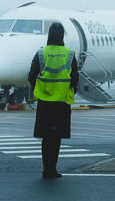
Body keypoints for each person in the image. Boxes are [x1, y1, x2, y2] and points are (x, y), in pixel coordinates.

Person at [28, 22, 79, 179]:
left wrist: (41, 88)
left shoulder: (41, 53)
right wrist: (70, 90)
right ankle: (53, 168)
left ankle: (46, 168)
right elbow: (75, 77)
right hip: (62, 102)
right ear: (62, 35)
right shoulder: (69, 53)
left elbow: (32, 75)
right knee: (56, 138)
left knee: (46, 137)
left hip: (45, 101)